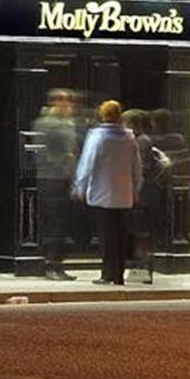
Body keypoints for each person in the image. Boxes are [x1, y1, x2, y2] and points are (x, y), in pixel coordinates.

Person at [73, 98, 144, 285]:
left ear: (103, 115)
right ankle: (119, 275)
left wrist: (80, 186)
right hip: (124, 193)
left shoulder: (98, 137)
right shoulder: (130, 137)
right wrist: (136, 188)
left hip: (103, 191)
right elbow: (137, 167)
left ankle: (107, 274)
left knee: (106, 236)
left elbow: (87, 163)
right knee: (121, 235)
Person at [32, 89, 81, 280]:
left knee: (60, 223)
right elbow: (44, 152)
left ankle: (55, 263)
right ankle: (51, 265)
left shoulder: (66, 123)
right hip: (52, 178)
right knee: (55, 223)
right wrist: (64, 163)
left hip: (63, 178)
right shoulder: (48, 124)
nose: (68, 105)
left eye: (69, 101)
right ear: (54, 102)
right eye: (63, 100)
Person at [122, 108, 160, 284]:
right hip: (137, 190)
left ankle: (144, 268)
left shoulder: (142, 141)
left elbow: (142, 167)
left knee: (141, 232)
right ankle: (139, 266)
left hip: (141, 192)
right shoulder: (137, 140)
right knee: (137, 231)